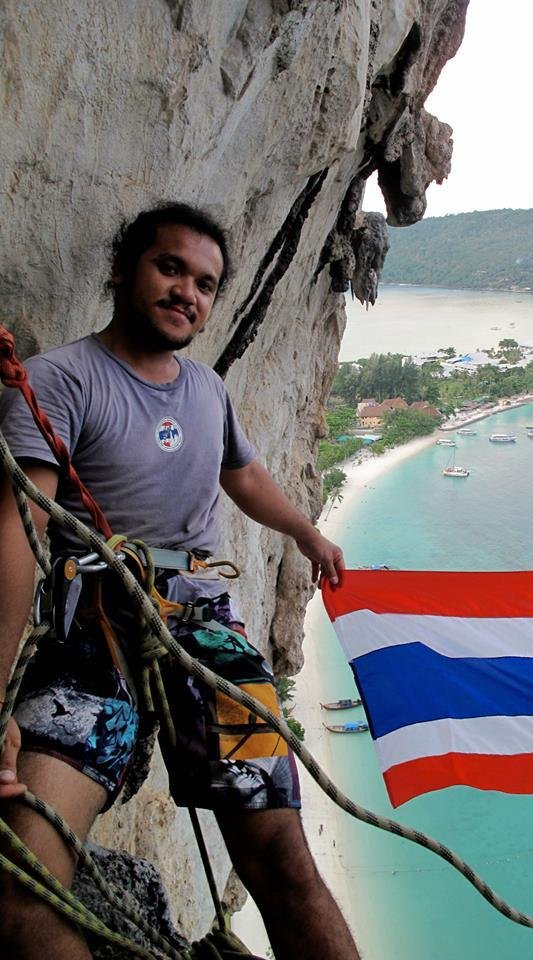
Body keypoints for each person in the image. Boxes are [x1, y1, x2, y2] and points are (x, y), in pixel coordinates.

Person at [0, 203, 360, 960]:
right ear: (125, 270)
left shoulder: (207, 390)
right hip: (94, 634)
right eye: (170, 269)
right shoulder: (59, 381)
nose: (187, 292)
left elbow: (246, 475)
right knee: (20, 881)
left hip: (204, 629)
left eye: (205, 282)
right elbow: (19, 531)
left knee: (286, 865)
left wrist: (304, 531)